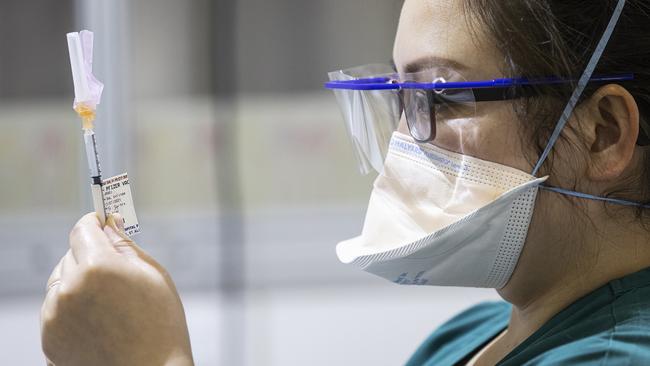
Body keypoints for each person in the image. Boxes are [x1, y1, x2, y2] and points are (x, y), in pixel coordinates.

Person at [41, 0, 650, 365]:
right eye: (403, 99)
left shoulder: (610, 356)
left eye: (442, 94)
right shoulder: (470, 335)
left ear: (602, 132)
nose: (408, 141)